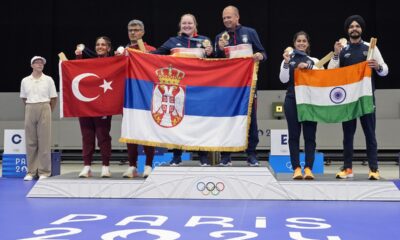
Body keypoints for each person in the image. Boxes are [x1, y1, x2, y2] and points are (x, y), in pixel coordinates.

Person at [328, 15, 388, 180]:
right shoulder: (343, 50)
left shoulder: (371, 47)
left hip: (366, 99)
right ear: (347, 30)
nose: (354, 28)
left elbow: (385, 69)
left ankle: (374, 169)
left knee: (370, 134)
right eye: (351, 26)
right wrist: (335, 54)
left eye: (357, 26)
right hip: (348, 100)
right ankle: (347, 168)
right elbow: (331, 72)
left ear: (361, 29)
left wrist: (378, 67)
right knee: (347, 135)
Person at [152, 13, 213, 167]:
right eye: (184, 23)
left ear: (195, 25)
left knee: (199, 123)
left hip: (199, 89)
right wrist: (136, 54)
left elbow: (215, 62)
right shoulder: (173, 41)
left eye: (190, 23)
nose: (187, 25)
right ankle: (177, 156)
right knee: (177, 122)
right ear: (180, 25)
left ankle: (203, 157)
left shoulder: (204, 41)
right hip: (178, 90)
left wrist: (211, 52)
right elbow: (155, 55)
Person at [215, 5, 266, 167]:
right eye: (224, 18)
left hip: (248, 85)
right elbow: (216, 62)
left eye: (229, 17)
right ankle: (225, 156)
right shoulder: (220, 37)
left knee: (251, 120)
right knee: (227, 119)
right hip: (228, 87)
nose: (226, 20)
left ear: (237, 17)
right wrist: (220, 50)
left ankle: (251, 155)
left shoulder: (250, 33)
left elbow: (263, 53)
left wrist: (259, 55)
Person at [279, 31, 319, 180]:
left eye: (304, 41)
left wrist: (309, 66)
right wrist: (286, 62)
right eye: (298, 41)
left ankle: (308, 168)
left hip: (310, 102)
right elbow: (283, 80)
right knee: (294, 136)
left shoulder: (313, 60)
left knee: (310, 137)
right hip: (292, 100)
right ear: (294, 43)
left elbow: (322, 72)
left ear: (308, 44)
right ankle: (296, 168)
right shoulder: (288, 59)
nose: (301, 43)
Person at [120, 19, 156, 178]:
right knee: (130, 131)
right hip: (129, 98)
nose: (133, 32)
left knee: (148, 131)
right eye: (130, 30)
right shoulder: (123, 51)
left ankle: (148, 165)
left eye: (136, 30)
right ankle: (132, 166)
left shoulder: (151, 50)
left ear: (143, 32)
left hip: (146, 97)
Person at [75, 36, 113, 178]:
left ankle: (105, 166)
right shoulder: (88, 62)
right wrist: (78, 57)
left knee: (103, 136)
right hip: (86, 105)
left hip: (103, 106)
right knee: (87, 136)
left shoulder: (113, 62)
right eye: (98, 44)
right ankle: (87, 166)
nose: (100, 47)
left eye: (103, 44)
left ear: (108, 47)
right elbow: (77, 73)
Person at [20, 56, 58, 181]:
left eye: (41, 62)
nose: (39, 64)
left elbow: (53, 98)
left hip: (45, 106)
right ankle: (31, 171)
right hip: (30, 107)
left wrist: (47, 110)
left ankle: (44, 171)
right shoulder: (25, 80)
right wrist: (31, 107)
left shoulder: (48, 80)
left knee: (44, 141)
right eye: (36, 62)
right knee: (30, 141)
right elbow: (24, 98)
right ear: (32, 65)